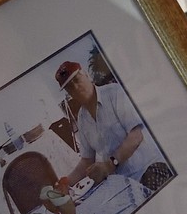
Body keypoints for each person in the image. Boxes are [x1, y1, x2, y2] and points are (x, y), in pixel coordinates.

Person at [55, 61, 172, 193]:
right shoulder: (82, 118)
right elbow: (87, 160)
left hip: (149, 168)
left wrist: (110, 165)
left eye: (77, 80)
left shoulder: (113, 93)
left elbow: (136, 136)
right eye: (70, 87)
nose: (76, 88)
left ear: (87, 75)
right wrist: (66, 182)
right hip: (123, 184)